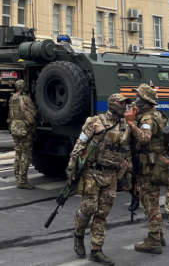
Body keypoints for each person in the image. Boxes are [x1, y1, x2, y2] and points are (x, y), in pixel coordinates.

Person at [67, 93, 131, 265]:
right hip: (92, 173)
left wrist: (127, 175)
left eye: (125, 103)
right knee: (88, 209)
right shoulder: (95, 121)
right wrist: (72, 164)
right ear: (112, 103)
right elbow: (80, 143)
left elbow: (126, 152)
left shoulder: (126, 125)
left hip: (112, 176)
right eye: (121, 103)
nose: (124, 106)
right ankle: (78, 234)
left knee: (102, 214)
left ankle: (96, 250)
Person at [126, 83, 169, 255]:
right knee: (151, 202)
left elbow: (144, 138)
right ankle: (158, 234)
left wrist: (131, 123)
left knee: (150, 204)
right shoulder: (156, 114)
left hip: (149, 168)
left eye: (137, 96)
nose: (135, 99)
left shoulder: (147, 118)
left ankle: (153, 241)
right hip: (154, 164)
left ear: (145, 101)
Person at [8, 79, 37, 190]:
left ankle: (17, 178)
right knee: (26, 155)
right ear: (24, 87)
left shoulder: (12, 98)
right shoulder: (26, 99)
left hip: (14, 127)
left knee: (18, 153)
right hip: (24, 129)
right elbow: (34, 113)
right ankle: (22, 181)